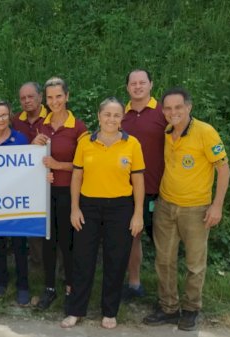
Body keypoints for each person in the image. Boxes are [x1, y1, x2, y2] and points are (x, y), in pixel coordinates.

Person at [143, 88, 230, 331]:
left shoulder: (206, 132)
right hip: (166, 205)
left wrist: (217, 206)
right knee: (164, 260)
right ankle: (168, 307)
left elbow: (224, 169)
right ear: (163, 111)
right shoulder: (167, 131)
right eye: (168, 108)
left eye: (178, 107)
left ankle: (191, 309)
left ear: (189, 107)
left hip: (196, 209)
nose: (173, 112)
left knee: (195, 263)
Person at [62, 98, 145, 329]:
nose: (111, 119)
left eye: (116, 115)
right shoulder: (86, 143)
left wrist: (138, 214)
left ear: (122, 118)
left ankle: (109, 311)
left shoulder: (132, 144)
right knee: (82, 259)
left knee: (116, 260)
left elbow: (138, 182)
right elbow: (77, 176)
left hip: (120, 208)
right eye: (107, 114)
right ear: (99, 117)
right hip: (88, 207)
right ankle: (76, 310)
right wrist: (75, 208)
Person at [31, 77, 88, 310]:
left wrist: (57, 165)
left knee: (68, 243)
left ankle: (71, 287)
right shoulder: (41, 125)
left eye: (59, 96)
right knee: (48, 242)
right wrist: (34, 144)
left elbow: (85, 165)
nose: (55, 101)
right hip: (46, 192)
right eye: (50, 97)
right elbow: (33, 161)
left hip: (69, 193)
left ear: (67, 96)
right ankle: (49, 288)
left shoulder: (79, 127)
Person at [121, 69, 167, 300]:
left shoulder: (164, 113)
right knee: (132, 239)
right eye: (133, 83)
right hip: (127, 191)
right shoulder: (120, 116)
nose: (137, 87)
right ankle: (134, 284)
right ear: (127, 87)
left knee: (163, 244)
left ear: (151, 84)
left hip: (160, 191)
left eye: (142, 82)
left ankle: (166, 293)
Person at [0, 101, 31, 306]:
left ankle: (23, 286)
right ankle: (1, 282)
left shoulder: (20, 139)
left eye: (4, 115)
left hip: (16, 201)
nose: (0, 119)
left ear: (10, 117)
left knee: (19, 245)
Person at [11, 82, 48, 270]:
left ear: (40, 97)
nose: (27, 101)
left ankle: (56, 266)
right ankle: (37, 264)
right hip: (27, 184)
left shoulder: (51, 117)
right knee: (34, 225)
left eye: (30, 96)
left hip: (50, 180)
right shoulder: (15, 121)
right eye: (23, 98)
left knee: (53, 225)